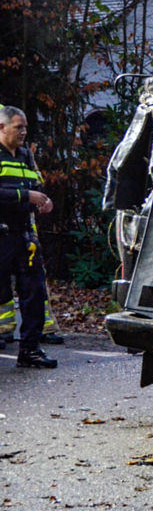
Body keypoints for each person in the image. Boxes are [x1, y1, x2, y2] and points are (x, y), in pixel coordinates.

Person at [0, 105, 56, 368]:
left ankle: (30, 350)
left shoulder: (25, 155)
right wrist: (26, 196)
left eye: (25, 127)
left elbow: (35, 185)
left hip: (24, 235)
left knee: (34, 292)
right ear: (2, 127)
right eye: (18, 127)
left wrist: (42, 200)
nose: (24, 132)